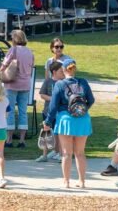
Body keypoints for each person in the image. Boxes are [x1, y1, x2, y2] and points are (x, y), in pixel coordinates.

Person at [43, 59, 95, 188]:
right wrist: (81, 110)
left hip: (66, 120)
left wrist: (48, 121)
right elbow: (91, 100)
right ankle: (82, 181)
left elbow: (53, 106)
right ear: (74, 69)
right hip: (83, 120)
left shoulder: (59, 84)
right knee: (80, 153)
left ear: (63, 70)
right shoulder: (83, 82)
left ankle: (66, 182)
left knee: (66, 153)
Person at [0, 30, 34, 148]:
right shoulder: (30, 52)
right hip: (25, 84)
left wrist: (1, 70)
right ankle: (22, 140)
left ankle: (9, 139)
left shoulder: (13, 50)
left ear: (14, 39)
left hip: (12, 84)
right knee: (23, 111)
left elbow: (4, 65)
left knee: (10, 111)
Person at [36, 61, 64, 162]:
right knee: (46, 133)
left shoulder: (63, 82)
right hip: (48, 112)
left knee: (60, 134)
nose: (63, 73)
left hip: (60, 113)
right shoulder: (48, 81)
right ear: (54, 71)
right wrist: (52, 99)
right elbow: (42, 94)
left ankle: (61, 154)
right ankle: (44, 155)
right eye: (61, 71)